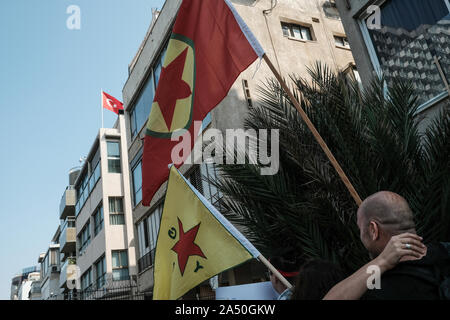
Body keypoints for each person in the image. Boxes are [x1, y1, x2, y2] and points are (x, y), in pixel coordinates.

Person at [325, 191, 450, 300]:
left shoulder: (378, 288)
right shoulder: (445, 251)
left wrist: (382, 261)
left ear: (373, 230)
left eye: (360, 229)